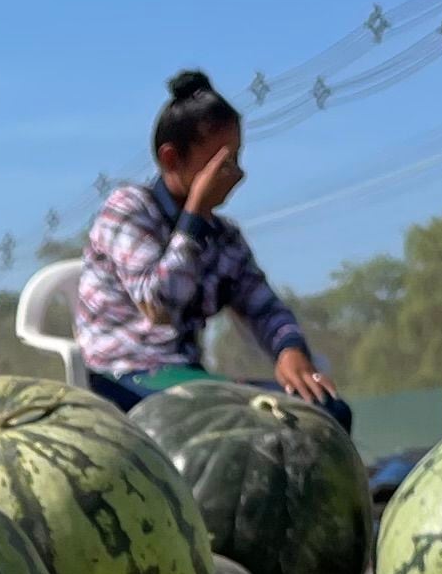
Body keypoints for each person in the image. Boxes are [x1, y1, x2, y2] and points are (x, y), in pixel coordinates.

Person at [75, 72, 345, 417]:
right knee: (230, 422)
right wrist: (195, 215)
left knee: (323, 412)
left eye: (236, 159)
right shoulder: (127, 210)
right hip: (125, 375)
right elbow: (158, 305)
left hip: (189, 379)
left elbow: (264, 307)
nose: (236, 174)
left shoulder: (223, 238)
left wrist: (289, 349)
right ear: (171, 159)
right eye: (221, 162)